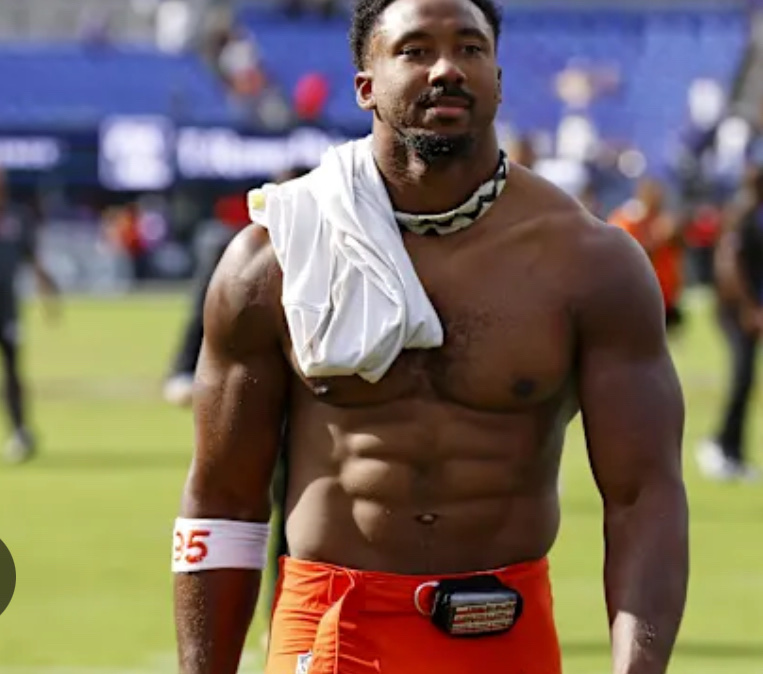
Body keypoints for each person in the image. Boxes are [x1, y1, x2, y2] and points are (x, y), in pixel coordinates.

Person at [173, 0, 688, 672]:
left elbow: (644, 497)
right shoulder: (277, 255)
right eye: (415, 50)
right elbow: (223, 500)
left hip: (505, 633)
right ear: (366, 86)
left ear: (497, 78)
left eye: (470, 48)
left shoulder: (589, 262)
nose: (447, 69)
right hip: (333, 628)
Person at [696, 166, 763, 482]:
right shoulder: (742, 215)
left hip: (750, 309)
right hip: (735, 311)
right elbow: (729, 264)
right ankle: (721, 445)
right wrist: (749, 307)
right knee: (742, 377)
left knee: (746, 380)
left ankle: (733, 451)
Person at [0, 169, 59, 463]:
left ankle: (21, 432)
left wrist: (47, 291)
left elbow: (33, 258)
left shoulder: (17, 218)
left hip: (6, 308)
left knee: (13, 371)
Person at [609, 177, 686, 331]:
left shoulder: (663, 218)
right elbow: (626, 254)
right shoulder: (630, 219)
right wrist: (657, 238)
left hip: (665, 293)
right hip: (638, 295)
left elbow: (678, 248)